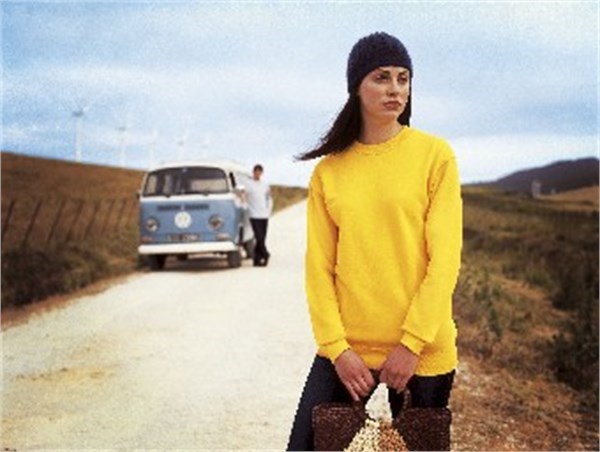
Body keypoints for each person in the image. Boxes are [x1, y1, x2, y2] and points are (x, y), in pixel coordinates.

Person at [287, 32, 462, 450]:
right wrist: (337, 349)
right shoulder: (329, 172)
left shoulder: (434, 156)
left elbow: (444, 261)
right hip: (348, 354)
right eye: (381, 77)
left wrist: (411, 345)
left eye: (403, 78)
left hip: (423, 353)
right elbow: (319, 269)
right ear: (357, 87)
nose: (395, 89)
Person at [245, 164, 273, 267]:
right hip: (254, 215)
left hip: (264, 215)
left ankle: (257, 260)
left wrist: (269, 210)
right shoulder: (248, 184)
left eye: (259, 172)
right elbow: (243, 195)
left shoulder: (265, 184)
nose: (257, 174)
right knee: (258, 236)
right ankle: (265, 254)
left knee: (262, 238)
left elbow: (269, 198)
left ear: (261, 173)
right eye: (255, 172)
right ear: (253, 172)